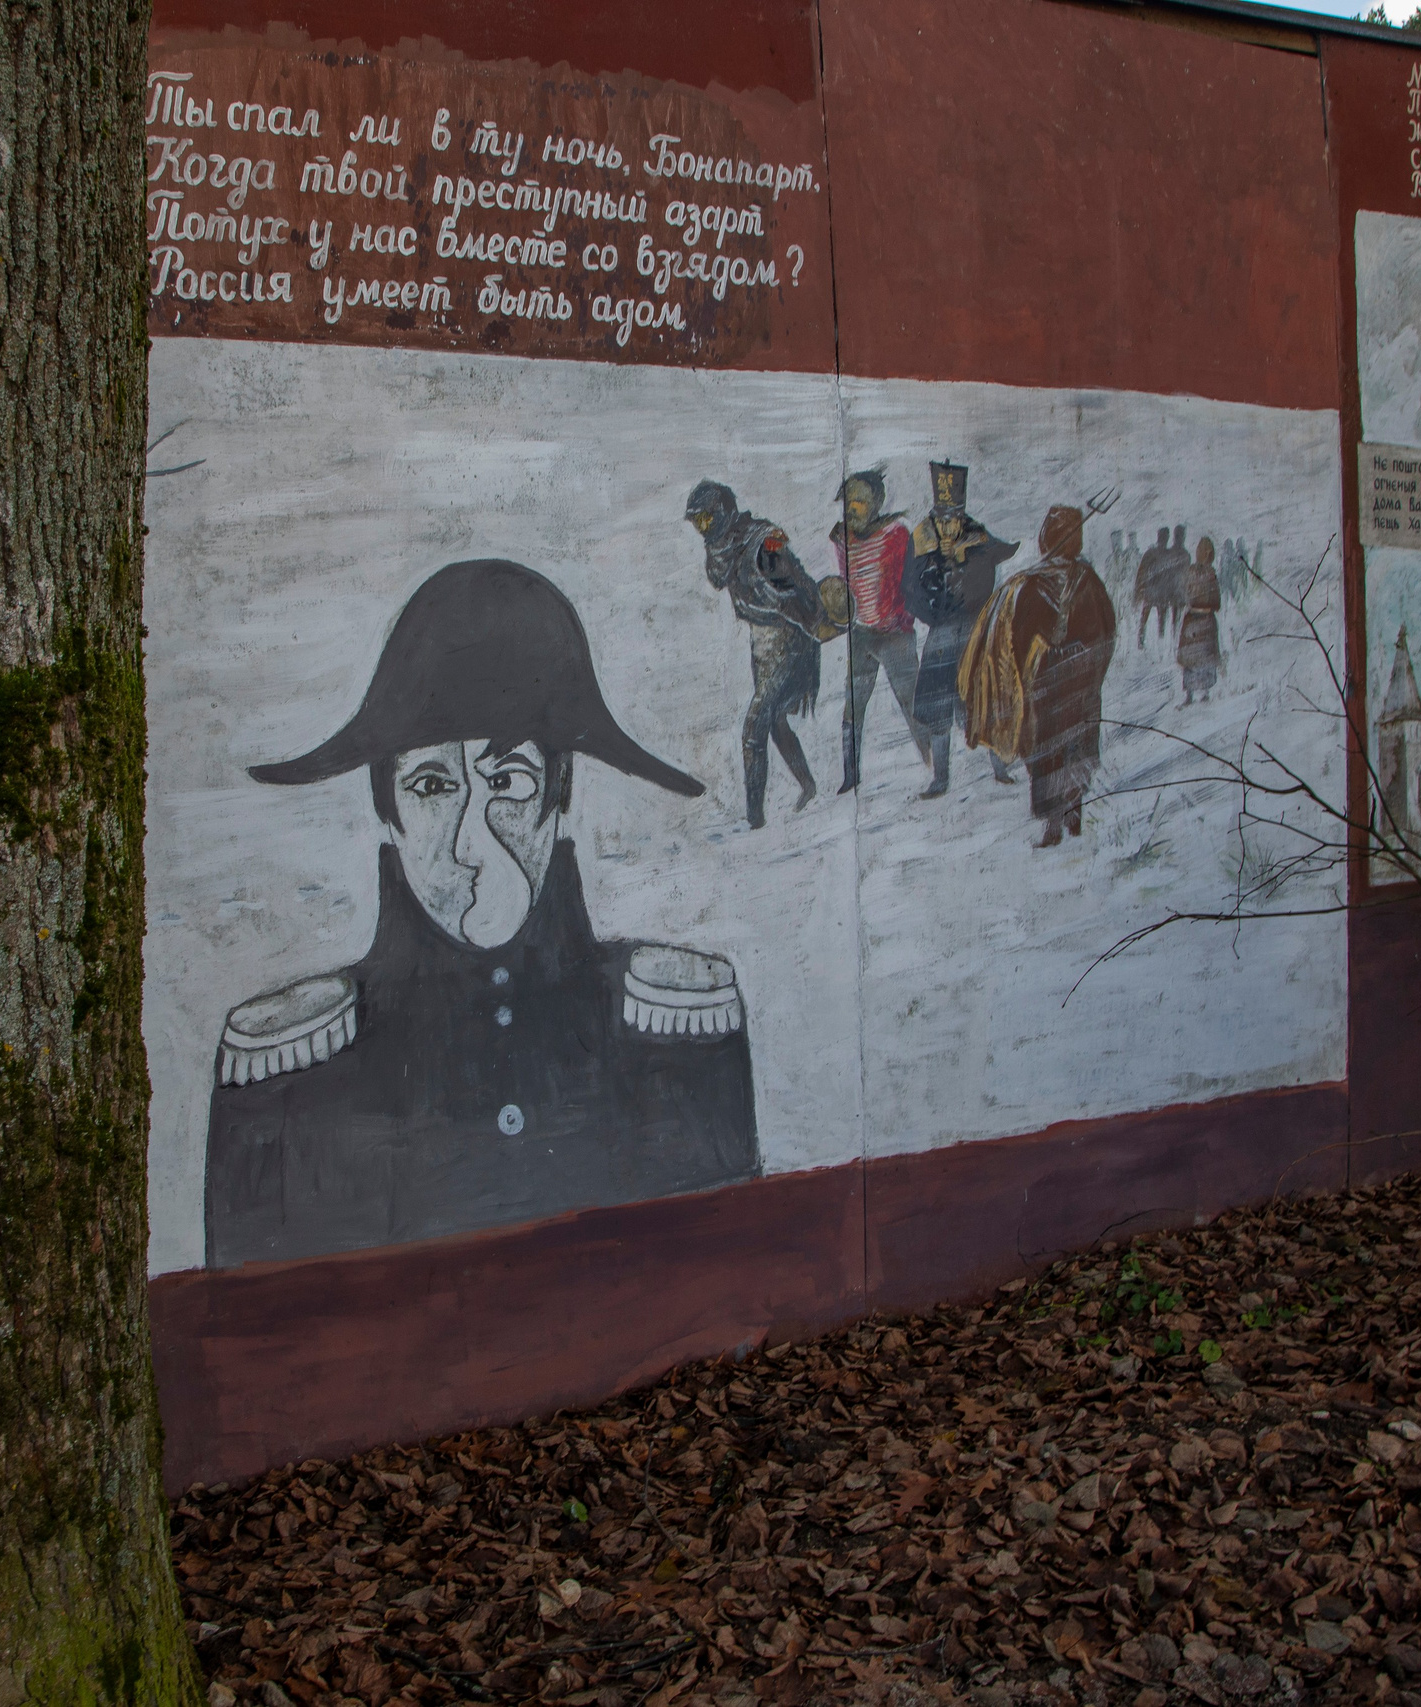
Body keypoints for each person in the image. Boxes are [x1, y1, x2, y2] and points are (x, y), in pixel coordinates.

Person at [204, 559, 761, 1267]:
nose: (472, 844)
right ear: (388, 812)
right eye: (434, 785)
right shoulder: (291, 1078)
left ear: (559, 800)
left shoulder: (669, 1031)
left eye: (508, 780)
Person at [959, 504, 1119, 847]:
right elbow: (1106, 633)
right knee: (1071, 747)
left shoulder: (1034, 585)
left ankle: (1057, 824)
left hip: (1049, 683)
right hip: (1076, 683)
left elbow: (1016, 641)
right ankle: (1069, 816)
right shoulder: (1080, 582)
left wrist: (1028, 676)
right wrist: (1091, 673)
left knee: (1050, 751)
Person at [686, 480, 823, 828]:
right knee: (774, 720)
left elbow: (796, 585)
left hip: (788, 637)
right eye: (698, 522)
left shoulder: (764, 541)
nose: (704, 528)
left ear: (722, 512)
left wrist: (814, 621)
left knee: (754, 727)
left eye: (706, 519)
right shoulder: (722, 549)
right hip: (761, 639)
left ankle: (755, 820)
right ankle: (807, 785)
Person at [904, 461, 1016, 795]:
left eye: (955, 513)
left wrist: (967, 573)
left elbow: (993, 561)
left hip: (973, 628)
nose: (950, 521)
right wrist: (935, 606)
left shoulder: (976, 532)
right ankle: (941, 779)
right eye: (944, 514)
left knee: (983, 696)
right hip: (941, 631)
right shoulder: (923, 536)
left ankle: (1000, 767)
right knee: (939, 704)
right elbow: (909, 588)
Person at [831, 468, 921, 793]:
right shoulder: (842, 538)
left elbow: (910, 583)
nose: (851, 508)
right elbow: (846, 588)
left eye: (859, 501)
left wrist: (898, 617)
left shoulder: (896, 534)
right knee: (853, 705)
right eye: (848, 501)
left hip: (894, 635)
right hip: (861, 635)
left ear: (874, 504)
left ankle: (932, 763)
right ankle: (850, 774)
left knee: (912, 703)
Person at [1178, 535, 1223, 704]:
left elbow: (1186, 593)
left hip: (1193, 619)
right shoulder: (1210, 574)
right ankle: (1200, 693)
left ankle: (1194, 694)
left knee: (1194, 658)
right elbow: (1216, 601)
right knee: (1199, 657)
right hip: (1203, 619)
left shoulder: (1193, 572)